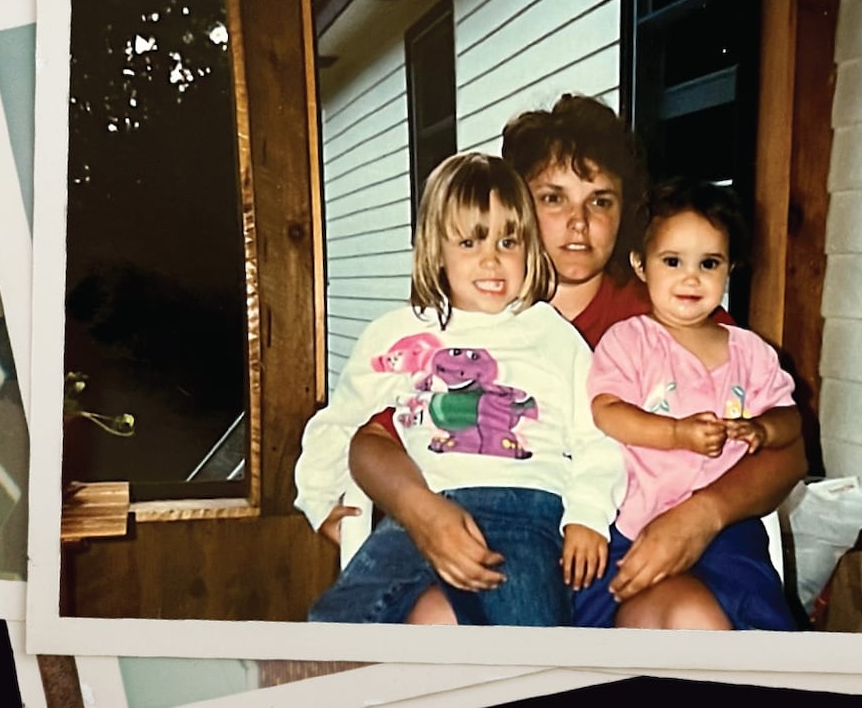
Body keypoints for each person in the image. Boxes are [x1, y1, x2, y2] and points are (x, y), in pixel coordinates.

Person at [347, 93, 807, 628]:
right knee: (436, 621)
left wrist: (702, 516)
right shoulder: (477, 319)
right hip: (507, 542)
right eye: (553, 198)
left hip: (641, 544)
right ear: (517, 205)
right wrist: (419, 510)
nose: (578, 223)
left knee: (689, 619)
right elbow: (373, 440)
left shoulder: (666, 310)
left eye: (600, 201)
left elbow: (788, 450)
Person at [294, 151, 626, 627]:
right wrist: (321, 498)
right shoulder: (399, 332)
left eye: (507, 241)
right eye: (470, 242)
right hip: (423, 507)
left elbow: (597, 436)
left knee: (531, 639)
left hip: (526, 514)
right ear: (436, 250)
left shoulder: (553, 336)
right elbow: (342, 417)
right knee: (333, 624)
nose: (491, 259)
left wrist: (587, 516)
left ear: (529, 248)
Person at [579, 178, 801, 631]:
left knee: (760, 607)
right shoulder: (629, 341)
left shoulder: (750, 351)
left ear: (730, 267)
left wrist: (763, 430)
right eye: (673, 261)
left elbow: (789, 419)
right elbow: (607, 410)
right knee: (589, 611)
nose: (691, 277)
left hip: (726, 528)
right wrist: (676, 433)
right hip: (635, 518)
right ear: (641, 265)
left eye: (709, 263)